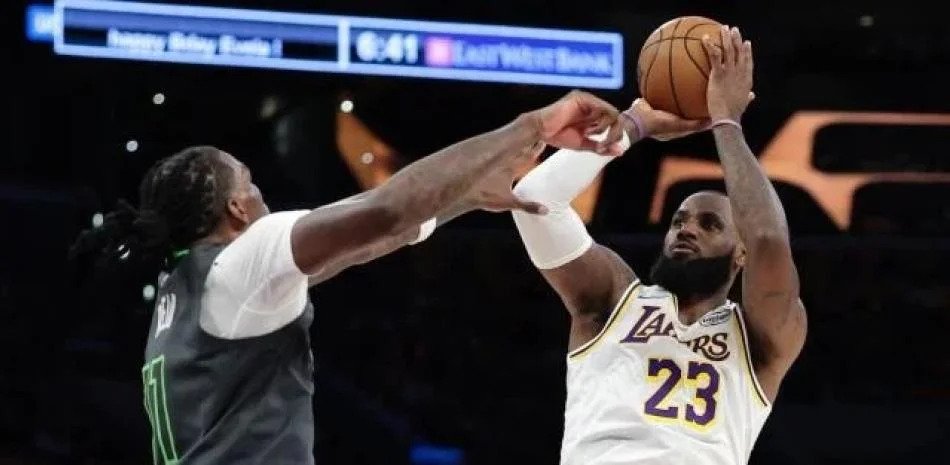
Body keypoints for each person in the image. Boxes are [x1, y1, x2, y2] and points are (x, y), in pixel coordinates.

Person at [68, 90, 649, 464]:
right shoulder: (240, 261)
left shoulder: (188, 286)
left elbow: (359, 245)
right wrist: (533, 125)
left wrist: (467, 196)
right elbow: (385, 210)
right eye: (251, 184)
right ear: (237, 209)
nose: (262, 194)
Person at [511, 26, 807, 465]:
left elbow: (767, 238)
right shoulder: (613, 299)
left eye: (709, 224)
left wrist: (726, 122)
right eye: (678, 221)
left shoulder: (760, 337)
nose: (686, 230)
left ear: (740, 254)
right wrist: (634, 125)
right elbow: (535, 199)